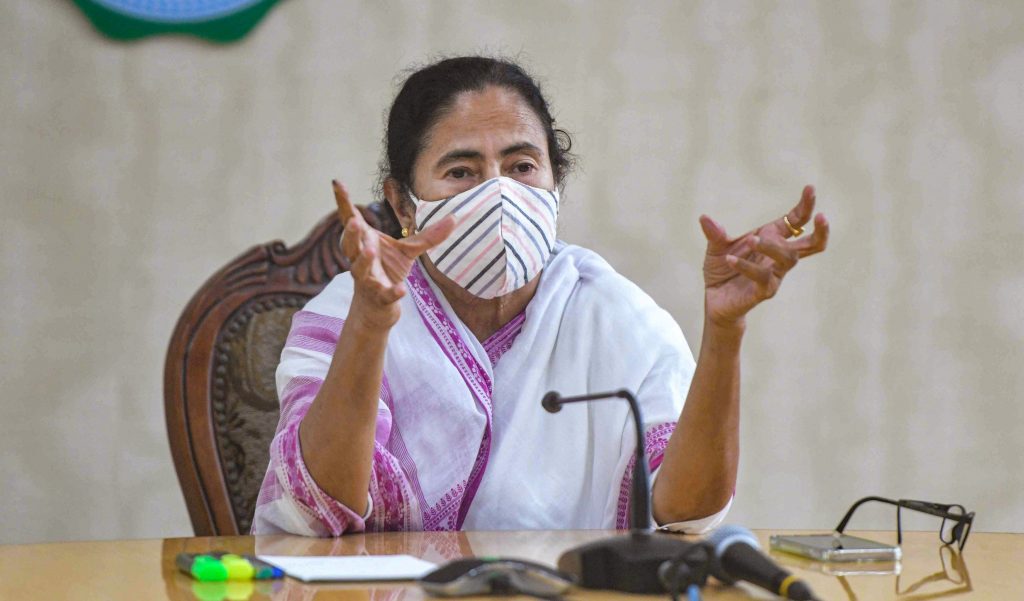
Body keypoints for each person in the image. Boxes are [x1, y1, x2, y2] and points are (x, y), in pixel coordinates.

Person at [252, 56, 830, 536]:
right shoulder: (342, 314)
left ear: (556, 185)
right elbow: (318, 509)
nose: (499, 194)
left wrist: (725, 332)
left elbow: (688, 513)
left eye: (522, 166)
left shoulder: (614, 315)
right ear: (404, 204)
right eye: (462, 172)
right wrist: (372, 324)